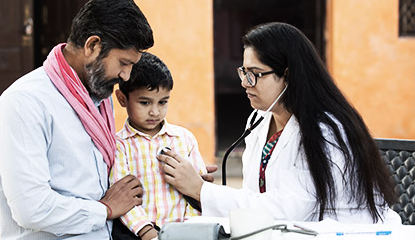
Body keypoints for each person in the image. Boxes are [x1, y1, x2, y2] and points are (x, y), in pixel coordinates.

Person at [158, 22, 401, 224]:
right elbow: (260, 198)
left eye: (255, 74)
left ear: (288, 75)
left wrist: (201, 190)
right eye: (243, 72)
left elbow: (290, 209)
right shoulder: (260, 120)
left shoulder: (325, 131)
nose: (245, 82)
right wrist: (202, 190)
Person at [0, 0, 154, 239]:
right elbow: (31, 208)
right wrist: (104, 210)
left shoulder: (99, 97)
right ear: (93, 46)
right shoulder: (25, 103)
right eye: (123, 63)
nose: (126, 77)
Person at [110, 52, 207, 240]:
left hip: (185, 233)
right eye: (144, 102)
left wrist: (189, 229)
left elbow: (198, 190)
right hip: (139, 235)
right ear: (122, 99)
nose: (155, 111)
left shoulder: (184, 139)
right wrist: (148, 233)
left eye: (163, 102)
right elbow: (122, 199)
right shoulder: (119, 146)